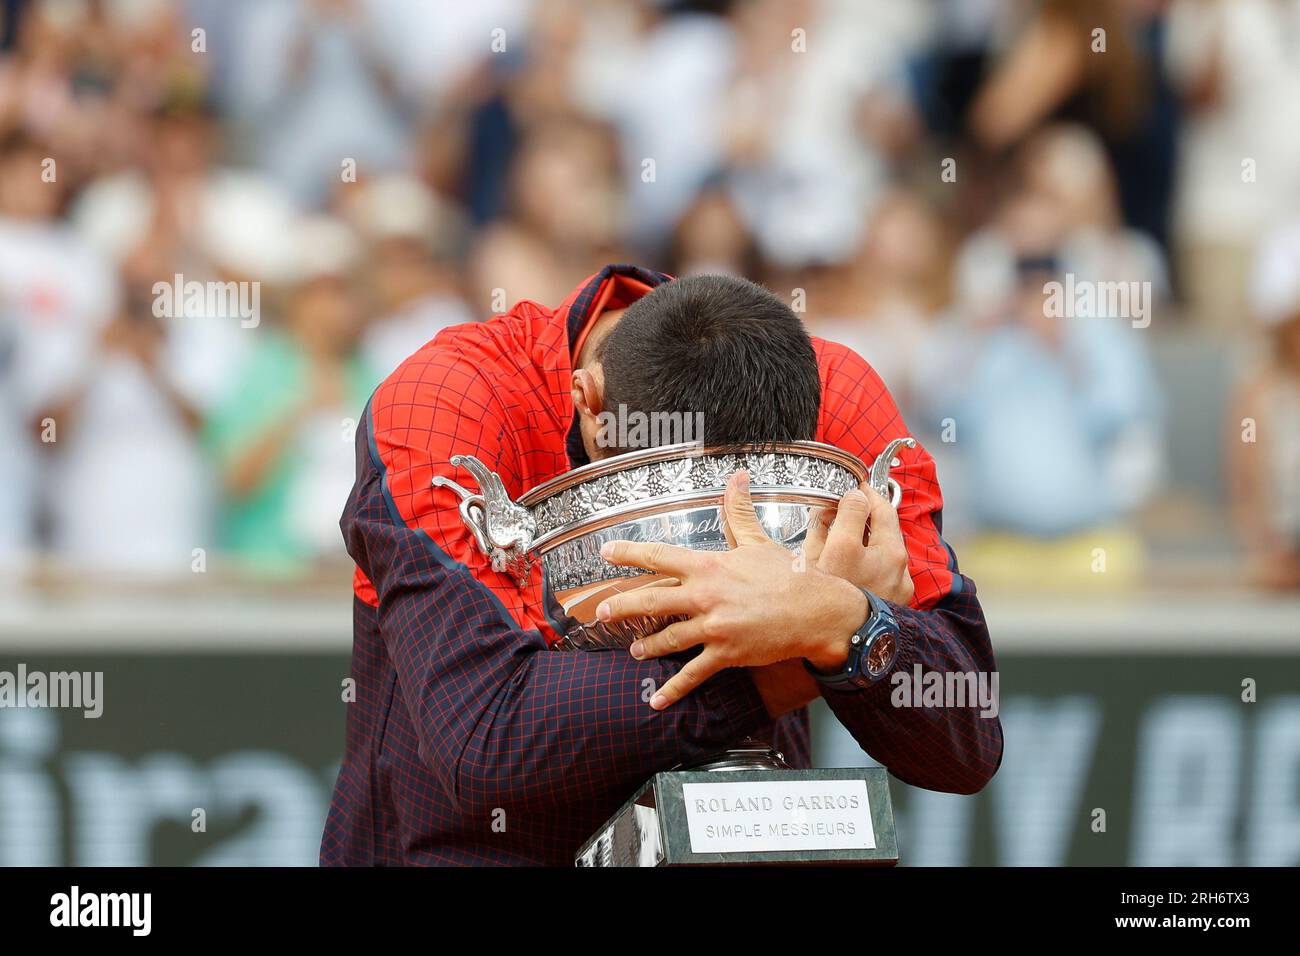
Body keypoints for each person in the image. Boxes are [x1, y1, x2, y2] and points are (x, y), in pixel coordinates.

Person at [322, 265, 1002, 866]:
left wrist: (855, 625)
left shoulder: (832, 393)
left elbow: (965, 741)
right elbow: (483, 736)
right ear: (586, 399)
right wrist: (802, 651)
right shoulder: (444, 403)